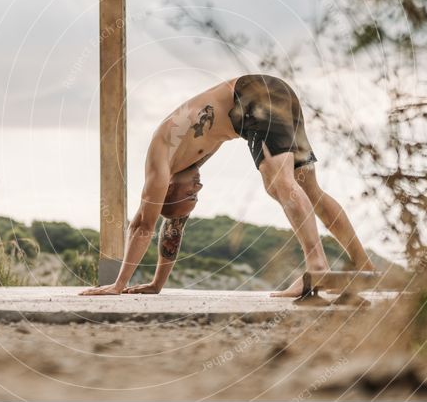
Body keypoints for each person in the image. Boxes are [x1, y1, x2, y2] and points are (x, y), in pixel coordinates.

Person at [80, 74, 373, 297]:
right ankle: (363, 265)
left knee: (278, 184)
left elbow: (143, 224)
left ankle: (318, 267)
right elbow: (174, 229)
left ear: (167, 190)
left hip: (253, 97)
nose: (198, 189)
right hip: (274, 94)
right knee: (308, 190)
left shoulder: (159, 164)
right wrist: (156, 284)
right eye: (195, 197)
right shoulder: (182, 168)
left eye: (190, 194)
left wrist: (118, 285)